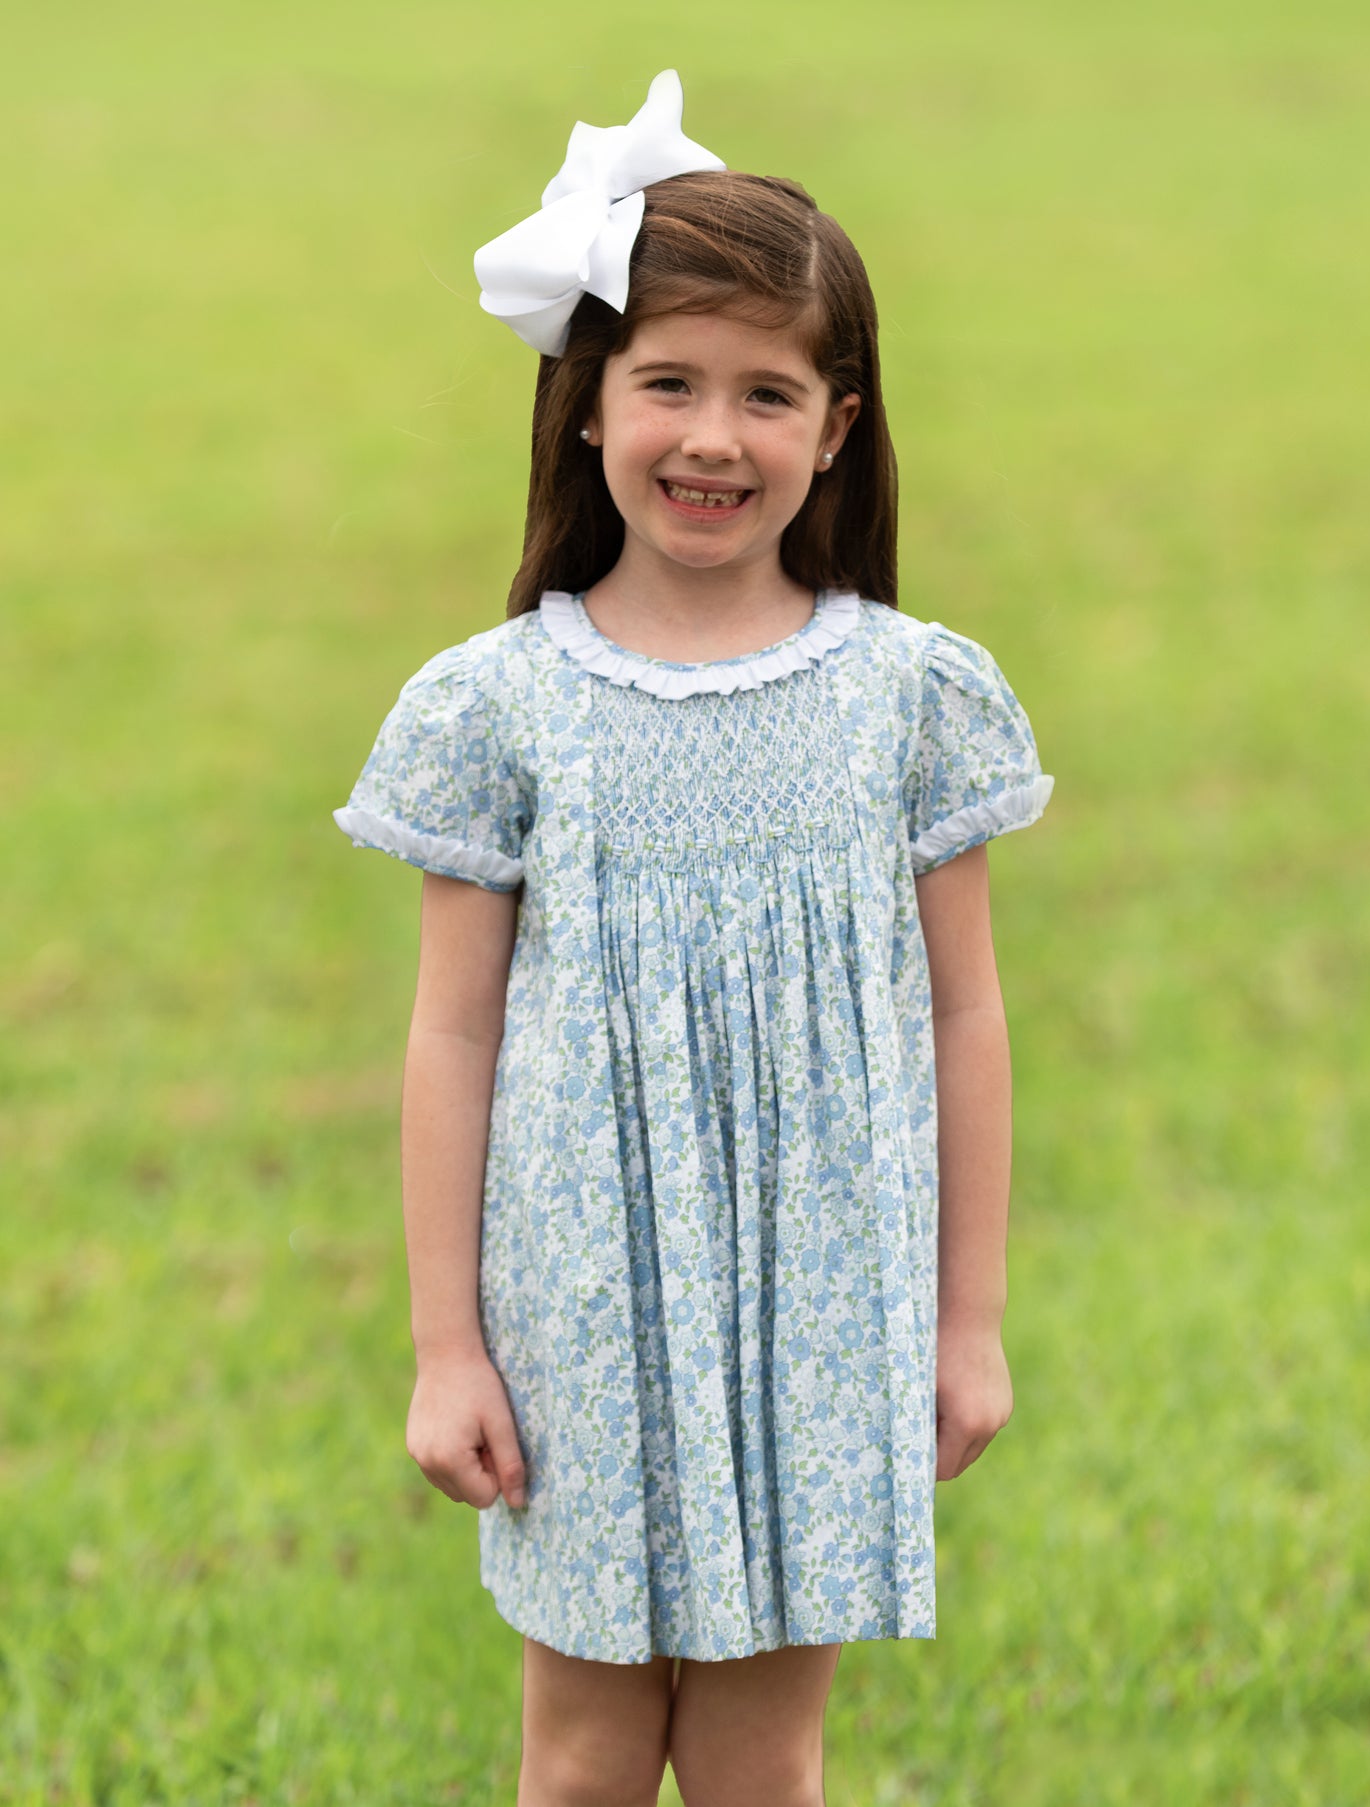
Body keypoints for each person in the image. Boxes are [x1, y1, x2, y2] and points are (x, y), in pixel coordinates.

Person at [333, 69, 1054, 1807]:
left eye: (766, 393)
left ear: (836, 422)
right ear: (588, 405)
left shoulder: (909, 695)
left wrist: (966, 1322)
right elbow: (452, 1037)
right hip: (583, 1311)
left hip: (826, 1307)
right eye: (666, 383)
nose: (712, 437)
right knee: (582, 1756)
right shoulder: (496, 708)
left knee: (759, 1760)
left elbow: (966, 1012)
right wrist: (450, 1349)